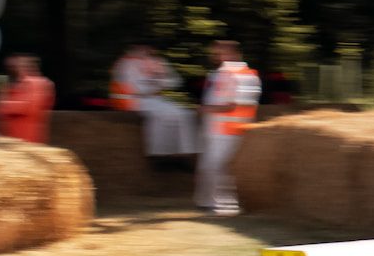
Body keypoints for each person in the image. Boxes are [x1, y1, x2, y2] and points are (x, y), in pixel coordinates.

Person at [196, 39, 262, 215]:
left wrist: (205, 109)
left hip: (229, 129)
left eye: (219, 53)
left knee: (216, 166)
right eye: (215, 52)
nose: (215, 56)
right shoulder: (223, 73)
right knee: (210, 166)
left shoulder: (238, 74)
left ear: (233, 53)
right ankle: (208, 202)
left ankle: (224, 204)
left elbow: (232, 105)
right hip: (217, 128)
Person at [109, 43, 198, 159]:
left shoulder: (155, 62)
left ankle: (184, 153)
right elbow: (138, 88)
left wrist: (159, 78)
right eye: (143, 49)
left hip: (153, 99)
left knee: (184, 114)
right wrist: (157, 81)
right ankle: (160, 154)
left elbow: (175, 81)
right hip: (132, 101)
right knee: (164, 115)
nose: (146, 52)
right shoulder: (126, 64)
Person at [0, 54, 55, 144]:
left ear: (29, 67)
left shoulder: (38, 83)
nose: (15, 69)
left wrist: (5, 105)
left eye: (19, 66)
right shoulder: (16, 84)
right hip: (13, 137)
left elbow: (29, 107)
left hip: (29, 138)